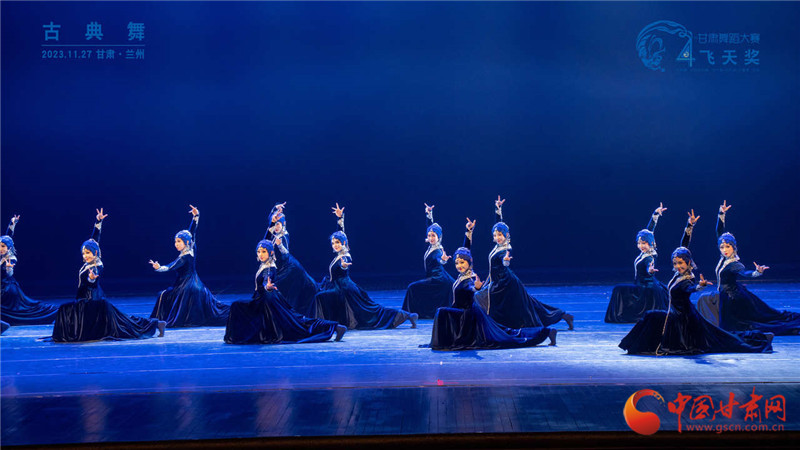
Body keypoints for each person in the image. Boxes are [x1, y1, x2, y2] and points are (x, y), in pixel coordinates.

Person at [619, 211, 773, 355]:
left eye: (681, 263)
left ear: (688, 263)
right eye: (675, 263)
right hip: (676, 315)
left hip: (683, 320)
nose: (678, 266)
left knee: (652, 317)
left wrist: (700, 286)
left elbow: (690, 288)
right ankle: (634, 347)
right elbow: (684, 245)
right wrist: (690, 225)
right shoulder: (679, 274)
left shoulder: (688, 279)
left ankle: (637, 347)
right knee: (650, 316)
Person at [430, 220, 556, 350]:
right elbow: (466, 250)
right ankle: (546, 331)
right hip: (463, 314)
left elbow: (471, 288)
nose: (459, 266)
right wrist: (469, 231)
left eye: (462, 263)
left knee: (442, 312)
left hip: (468, 317)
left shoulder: (471, 278)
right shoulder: (463, 275)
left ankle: (545, 332)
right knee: (504, 330)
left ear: (469, 262)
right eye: (457, 263)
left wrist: (477, 288)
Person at [52, 209, 165, 342]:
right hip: (88, 299)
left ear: (95, 253)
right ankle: (157, 324)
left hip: (90, 302)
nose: (85, 256)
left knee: (65, 309)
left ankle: (156, 324)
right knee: (124, 320)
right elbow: (95, 239)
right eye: (83, 253)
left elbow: (92, 281)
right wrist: (98, 221)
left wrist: (91, 279)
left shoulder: (96, 266)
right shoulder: (92, 258)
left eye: (88, 253)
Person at [696, 201, 800, 335]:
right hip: (725, 294)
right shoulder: (724, 258)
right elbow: (719, 232)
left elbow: (745, 273)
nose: (725, 250)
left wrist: (757, 272)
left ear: (734, 247)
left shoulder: (734, 264)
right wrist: (721, 213)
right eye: (722, 247)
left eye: (728, 247)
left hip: (732, 298)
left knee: (739, 326)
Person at [314, 203, 418, 329]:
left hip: (346, 289)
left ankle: (407, 316)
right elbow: (341, 233)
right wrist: (340, 218)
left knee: (373, 312)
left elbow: (344, 265)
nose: (335, 245)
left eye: (337, 242)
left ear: (344, 243)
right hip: (340, 287)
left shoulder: (345, 256)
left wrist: (343, 266)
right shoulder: (340, 253)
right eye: (333, 243)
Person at [478, 196, 573, 330]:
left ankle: (559, 317)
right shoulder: (499, 246)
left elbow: (505, 261)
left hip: (505, 285)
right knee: (531, 305)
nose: (497, 237)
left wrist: (506, 261)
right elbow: (499, 226)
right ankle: (564, 315)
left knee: (525, 308)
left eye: (500, 235)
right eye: (495, 235)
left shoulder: (505, 249)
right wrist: (498, 210)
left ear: (506, 235)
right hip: (500, 282)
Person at [224, 240, 345, 344]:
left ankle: (335, 327)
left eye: (264, 251)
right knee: (296, 321)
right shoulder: (265, 264)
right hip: (264, 300)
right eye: (259, 252)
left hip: (268, 302)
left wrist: (267, 286)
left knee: (298, 324)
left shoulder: (269, 268)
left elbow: (267, 279)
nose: (260, 254)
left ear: (271, 253)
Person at [149, 205, 230, 327]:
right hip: (196, 283)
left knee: (163, 294)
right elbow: (191, 232)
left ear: (186, 242)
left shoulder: (184, 257)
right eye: (175, 241)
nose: (176, 244)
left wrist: (159, 267)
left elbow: (171, 266)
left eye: (179, 241)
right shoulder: (192, 248)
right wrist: (195, 216)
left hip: (186, 285)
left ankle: (161, 318)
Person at [605, 204, 670, 323]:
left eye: (643, 243)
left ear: (650, 243)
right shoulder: (647, 251)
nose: (641, 246)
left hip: (645, 288)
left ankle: (621, 315)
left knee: (618, 290)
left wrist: (650, 271)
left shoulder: (649, 257)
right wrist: (656, 214)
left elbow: (649, 267)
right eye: (639, 243)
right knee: (619, 289)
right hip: (642, 285)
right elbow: (649, 230)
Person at [1, 215, 59, 325]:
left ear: (8, 248)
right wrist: (12, 224)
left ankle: (52, 311)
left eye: (3, 246)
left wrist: (8, 268)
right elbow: (7, 237)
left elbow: (9, 274)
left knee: (25, 310)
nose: (0, 248)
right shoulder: (2, 254)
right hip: (3, 287)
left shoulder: (10, 258)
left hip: (7, 289)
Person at [264, 202, 319, 317]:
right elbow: (269, 227)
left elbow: (285, 254)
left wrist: (279, 245)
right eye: (275, 224)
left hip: (290, 269)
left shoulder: (283, 236)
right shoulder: (273, 232)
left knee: (285, 293)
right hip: (282, 267)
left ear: (283, 224)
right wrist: (274, 209)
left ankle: (288, 314)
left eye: (279, 224)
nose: (276, 227)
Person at [401, 203, 455, 319]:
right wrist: (429, 214)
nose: (430, 238)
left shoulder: (438, 250)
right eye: (429, 235)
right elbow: (430, 227)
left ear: (439, 237)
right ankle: (416, 313)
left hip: (438, 279)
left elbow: (439, 259)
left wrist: (443, 260)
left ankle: (406, 314)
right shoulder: (432, 246)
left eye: (433, 236)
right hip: (433, 277)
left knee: (412, 287)